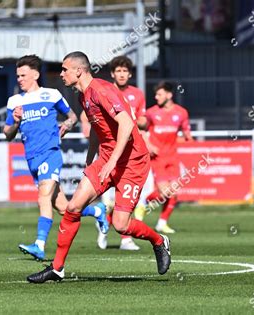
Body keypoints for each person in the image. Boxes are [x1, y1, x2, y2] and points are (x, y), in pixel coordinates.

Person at [27, 51, 171, 283]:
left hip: (132, 162)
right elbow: (97, 127)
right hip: (106, 159)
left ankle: (159, 241)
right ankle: (57, 268)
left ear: (79, 71)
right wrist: (90, 158)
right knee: (73, 207)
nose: (61, 74)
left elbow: (126, 123)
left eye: (64, 69)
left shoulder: (101, 90)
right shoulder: (83, 96)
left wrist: (113, 161)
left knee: (121, 225)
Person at [3, 54, 109, 261]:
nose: (19, 79)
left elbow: (72, 117)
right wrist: (15, 122)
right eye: (17, 76)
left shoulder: (51, 95)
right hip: (31, 159)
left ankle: (39, 245)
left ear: (35, 74)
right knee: (64, 208)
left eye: (23, 75)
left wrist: (67, 126)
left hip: (50, 154)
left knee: (43, 196)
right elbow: (7, 134)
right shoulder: (14, 101)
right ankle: (97, 211)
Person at [93, 55, 154, 251]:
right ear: (112, 74)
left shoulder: (137, 94)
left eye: (125, 71)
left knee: (128, 199)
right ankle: (103, 226)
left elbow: (143, 120)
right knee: (108, 200)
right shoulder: (105, 91)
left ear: (129, 74)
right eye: (118, 71)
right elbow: (90, 117)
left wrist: (139, 121)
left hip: (131, 154)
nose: (121, 74)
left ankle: (126, 239)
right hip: (108, 151)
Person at [143, 81, 193, 234]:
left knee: (174, 193)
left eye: (159, 94)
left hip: (173, 157)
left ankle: (162, 223)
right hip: (157, 158)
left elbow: (187, 133)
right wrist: (149, 145)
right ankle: (143, 203)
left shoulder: (181, 112)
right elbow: (141, 131)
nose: (156, 97)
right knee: (165, 193)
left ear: (169, 95)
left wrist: (189, 139)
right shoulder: (151, 113)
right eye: (156, 94)